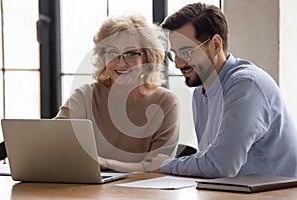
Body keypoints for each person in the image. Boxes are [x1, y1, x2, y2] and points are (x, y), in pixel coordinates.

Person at [152, 2, 297, 178]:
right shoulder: (200, 93)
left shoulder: (246, 85)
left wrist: (166, 165)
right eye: (174, 54)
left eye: (187, 52)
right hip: (233, 192)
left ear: (215, 45)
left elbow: (220, 166)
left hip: (276, 194)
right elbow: (210, 162)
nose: (178, 63)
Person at [55, 14, 179, 172]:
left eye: (130, 53)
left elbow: (157, 167)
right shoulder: (85, 96)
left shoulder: (165, 102)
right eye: (112, 53)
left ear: (148, 57)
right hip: (87, 192)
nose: (121, 63)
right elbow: (54, 143)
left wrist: (105, 164)